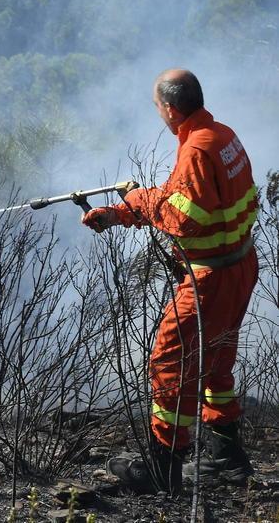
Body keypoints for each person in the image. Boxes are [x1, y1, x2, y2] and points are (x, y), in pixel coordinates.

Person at [82, 69, 258, 495]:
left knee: (168, 364)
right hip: (239, 264)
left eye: (158, 106)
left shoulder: (196, 150)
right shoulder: (220, 134)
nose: (157, 112)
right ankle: (226, 456)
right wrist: (126, 210)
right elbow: (194, 199)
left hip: (211, 275)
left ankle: (164, 466)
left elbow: (185, 218)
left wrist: (135, 202)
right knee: (216, 360)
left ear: (171, 109)